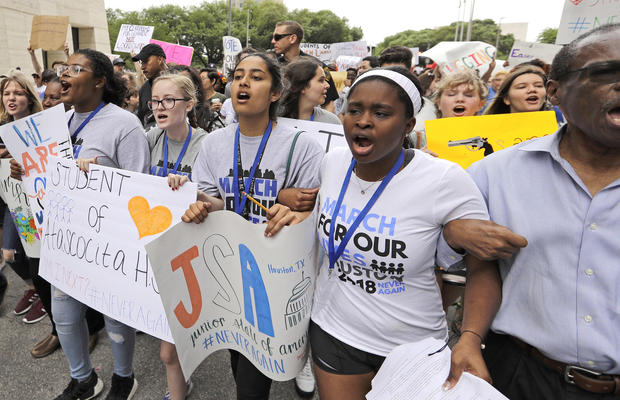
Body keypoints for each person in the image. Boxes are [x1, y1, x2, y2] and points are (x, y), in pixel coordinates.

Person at [444, 23, 620, 399]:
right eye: (607, 73)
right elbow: (470, 265)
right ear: (555, 92)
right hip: (521, 375)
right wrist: (451, 231)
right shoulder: (494, 174)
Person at [309, 67, 489, 400]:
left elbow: (483, 267)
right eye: (354, 110)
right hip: (333, 331)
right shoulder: (332, 163)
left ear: (408, 125)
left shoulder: (443, 179)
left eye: (381, 113)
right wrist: (288, 199)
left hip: (412, 345)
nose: (363, 121)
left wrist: (470, 337)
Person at [180, 52, 323, 400]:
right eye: (238, 75)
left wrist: (292, 208)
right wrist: (195, 203)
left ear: (275, 93)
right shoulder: (214, 144)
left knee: (253, 381)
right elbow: (216, 203)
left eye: (256, 77)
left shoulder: (300, 146)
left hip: (277, 275)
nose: (243, 82)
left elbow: (315, 213)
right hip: (229, 270)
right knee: (238, 353)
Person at [27, 48, 149, 400]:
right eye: (64, 68)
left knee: (114, 315)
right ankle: (83, 379)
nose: (64, 74)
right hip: (65, 239)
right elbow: (46, 176)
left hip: (108, 241)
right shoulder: (57, 122)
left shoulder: (124, 124)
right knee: (64, 315)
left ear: (99, 81)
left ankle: (124, 377)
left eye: (75, 69)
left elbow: (139, 186)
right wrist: (26, 168)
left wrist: (99, 176)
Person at [146, 73, 207, 400]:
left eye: (169, 100)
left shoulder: (206, 144)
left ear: (189, 104)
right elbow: (120, 177)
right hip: (154, 251)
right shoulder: (150, 139)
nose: (160, 107)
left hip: (188, 256)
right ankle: (181, 384)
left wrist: (191, 189)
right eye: (155, 100)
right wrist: (92, 165)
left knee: (168, 353)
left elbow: (216, 201)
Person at [272, 20, 339, 112]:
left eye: (277, 37)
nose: (273, 41)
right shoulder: (274, 67)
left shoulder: (319, 67)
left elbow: (328, 105)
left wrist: (322, 126)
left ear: (292, 38)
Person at [280, 57, 341, 124]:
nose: (327, 85)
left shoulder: (331, 122)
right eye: (321, 80)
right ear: (302, 86)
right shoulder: (274, 118)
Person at [484, 66, 548, 115]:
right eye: (522, 87)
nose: (532, 89)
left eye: (538, 86)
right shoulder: (486, 130)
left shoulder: (556, 128)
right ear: (506, 99)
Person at [133, 43, 168, 128]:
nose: (142, 67)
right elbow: (141, 119)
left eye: (146, 61)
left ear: (160, 59)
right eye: (141, 62)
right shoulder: (144, 89)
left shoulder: (179, 83)